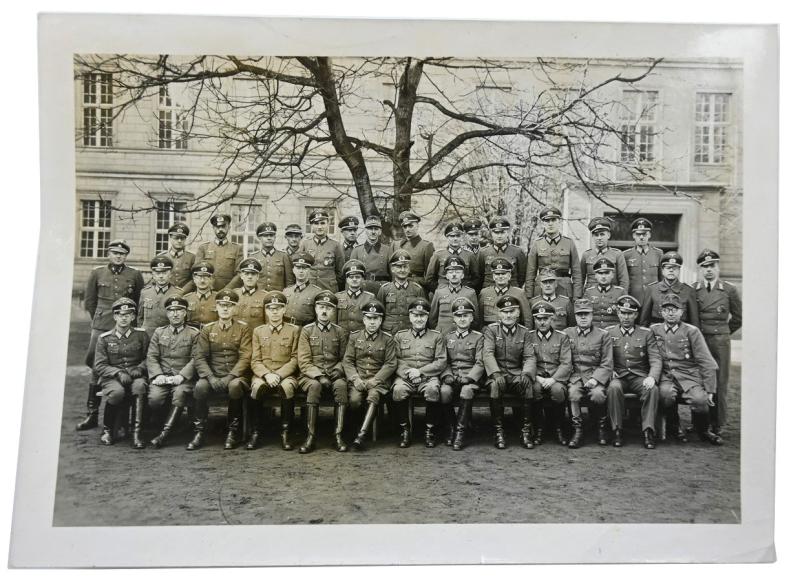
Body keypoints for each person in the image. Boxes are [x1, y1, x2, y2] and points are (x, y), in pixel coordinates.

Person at [78, 239, 145, 433]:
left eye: (122, 254)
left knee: (126, 363)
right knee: (96, 365)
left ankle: (121, 416)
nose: (118, 256)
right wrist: (99, 322)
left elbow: (138, 301)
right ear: (109, 253)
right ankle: (91, 413)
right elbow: (90, 301)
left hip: (126, 326)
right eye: (115, 253)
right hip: (102, 324)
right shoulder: (97, 272)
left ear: (126, 256)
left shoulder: (134, 274)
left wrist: (129, 322)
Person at [651, 293, 722, 445]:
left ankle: (703, 430)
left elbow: (706, 361)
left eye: (674, 309)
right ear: (661, 312)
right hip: (667, 376)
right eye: (667, 309)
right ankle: (674, 428)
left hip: (688, 376)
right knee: (665, 395)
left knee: (700, 400)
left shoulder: (692, 331)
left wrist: (710, 390)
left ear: (682, 311)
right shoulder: (654, 330)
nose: (670, 313)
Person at [189, 289, 252, 451]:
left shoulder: (243, 329)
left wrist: (230, 376)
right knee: (200, 386)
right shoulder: (208, 329)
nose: (225, 309)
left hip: (235, 375)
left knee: (235, 386)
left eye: (229, 306)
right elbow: (200, 357)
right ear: (216, 307)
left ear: (235, 309)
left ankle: (233, 431)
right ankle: (199, 431)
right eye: (222, 305)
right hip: (213, 375)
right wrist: (211, 378)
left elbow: (246, 356)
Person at [694, 249, 742, 435]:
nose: (708, 270)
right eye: (704, 266)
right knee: (699, 380)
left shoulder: (729, 290)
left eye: (712, 265)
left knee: (720, 381)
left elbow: (738, 317)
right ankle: (700, 423)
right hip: (701, 339)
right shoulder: (694, 289)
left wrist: (724, 332)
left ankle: (717, 423)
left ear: (718, 267)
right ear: (700, 269)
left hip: (720, 341)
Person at [296, 290, 351, 454]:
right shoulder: (306, 331)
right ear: (315, 309)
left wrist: (338, 370)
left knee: (341, 386)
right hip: (311, 376)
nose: (324, 311)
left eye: (328, 307)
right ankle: (310, 437)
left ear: (334, 311)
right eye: (320, 306)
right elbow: (304, 361)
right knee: (314, 387)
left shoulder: (340, 332)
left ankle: (338, 435)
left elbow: (345, 358)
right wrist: (319, 376)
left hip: (334, 374)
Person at [605, 295, 661, 449]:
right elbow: (603, 357)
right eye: (623, 312)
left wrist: (652, 377)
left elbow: (656, 358)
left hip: (639, 376)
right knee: (613, 388)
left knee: (652, 389)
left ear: (636, 315)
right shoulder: (608, 332)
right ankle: (617, 429)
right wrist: (609, 371)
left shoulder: (646, 333)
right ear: (618, 313)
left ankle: (648, 430)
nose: (626, 317)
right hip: (618, 376)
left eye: (630, 313)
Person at [92, 297, 149, 446]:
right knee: (117, 393)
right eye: (120, 314)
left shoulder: (141, 335)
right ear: (114, 316)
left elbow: (149, 358)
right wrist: (117, 373)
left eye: (128, 314)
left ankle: (136, 433)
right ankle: (108, 430)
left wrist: (140, 368)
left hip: (135, 374)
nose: (124, 318)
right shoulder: (104, 338)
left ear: (133, 317)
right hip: (112, 377)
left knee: (139, 387)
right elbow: (99, 365)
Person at [482, 295, 537, 449]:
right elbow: (487, 354)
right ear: (499, 313)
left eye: (511, 311)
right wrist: (496, 373)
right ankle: (498, 431)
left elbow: (529, 356)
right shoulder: (491, 330)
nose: (508, 315)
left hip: (516, 374)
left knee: (527, 385)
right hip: (497, 374)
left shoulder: (525, 332)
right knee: (494, 386)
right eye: (504, 311)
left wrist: (526, 373)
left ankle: (525, 431)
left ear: (518, 313)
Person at [392, 298, 448, 448]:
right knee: (398, 390)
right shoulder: (400, 336)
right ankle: (405, 430)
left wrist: (420, 372)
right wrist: (410, 374)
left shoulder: (436, 336)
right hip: (405, 376)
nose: (419, 319)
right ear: (410, 317)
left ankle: (429, 430)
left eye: (422, 315)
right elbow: (395, 360)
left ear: (427, 316)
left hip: (428, 376)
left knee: (432, 390)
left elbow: (441, 361)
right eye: (415, 315)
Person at [250, 291, 302, 451]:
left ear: (284, 309)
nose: (274, 312)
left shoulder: (294, 330)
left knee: (287, 387)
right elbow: (255, 360)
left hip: (285, 374)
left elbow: (295, 359)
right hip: (264, 373)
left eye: (278, 308)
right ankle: (256, 432)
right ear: (265, 310)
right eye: (271, 308)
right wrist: (266, 374)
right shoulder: (258, 331)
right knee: (257, 387)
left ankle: (286, 433)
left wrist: (278, 375)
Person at [343, 300, 398, 450]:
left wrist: (376, 379)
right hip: (358, 379)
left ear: (381, 320)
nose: (372, 322)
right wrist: (355, 379)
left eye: (376, 318)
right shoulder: (355, 337)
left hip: (378, 381)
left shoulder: (388, 339)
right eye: (369, 318)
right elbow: (347, 361)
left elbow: (390, 363)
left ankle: (361, 436)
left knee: (373, 396)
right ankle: (353, 430)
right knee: (354, 400)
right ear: (364, 319)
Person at [146, 296, 199, 449]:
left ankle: (164, 434)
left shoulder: (194, 334)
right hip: (162, 376)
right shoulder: (159, 332)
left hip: (183, 379)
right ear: (167, 314)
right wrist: (158, 375)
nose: (175, 314)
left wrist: (181, 376)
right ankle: (164, 425)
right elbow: (152, 356)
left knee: (179, 394)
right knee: (154, 399)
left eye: (179, 310)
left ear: (185, 313)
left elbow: (196, 359)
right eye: (171, 311)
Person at [563, 298, 614, 449]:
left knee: (598, 395)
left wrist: (595, 379)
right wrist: (570, 378)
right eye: (580, 314)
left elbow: (607, 362)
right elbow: (565, 359)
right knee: (573, 393)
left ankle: (601, 428)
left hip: (594, 375)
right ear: (575, 316)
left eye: (586, 314)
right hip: (575, 375)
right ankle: (577, 430)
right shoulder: (567, 333)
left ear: (592, 315)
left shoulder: (603, 335)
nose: (583, 317)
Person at [440, 298, 485, 450]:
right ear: (454, 318)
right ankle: (451, 428)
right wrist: (447, 375)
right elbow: (444, 361)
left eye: (466, 316)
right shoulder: (447, 338)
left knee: (466, 391)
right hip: (453, 378)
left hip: (470, 379)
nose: (462, 319)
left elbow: (480, 362)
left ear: (472, 318)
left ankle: (460, 433)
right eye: (459, 316)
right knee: (444, 392)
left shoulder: (478, 337)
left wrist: (470, 377)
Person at [529, 301, 572, 446]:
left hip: (556, 377)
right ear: (534, 320)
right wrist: (537, 378)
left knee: (558, 391)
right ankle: (539, 429)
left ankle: (558, 428)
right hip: (537, 376)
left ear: (552, 318)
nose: (542, 322)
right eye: (538, 319)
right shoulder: (529, 337)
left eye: (545, 318)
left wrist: (554, 379)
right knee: (533, 389)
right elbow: (526, 361)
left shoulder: (562, 337)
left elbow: (566, 363)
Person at [524, 206, 582, 300]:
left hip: (564, 288)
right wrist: (529, 296)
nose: (550, 224)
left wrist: (577, 296)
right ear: (543, 223)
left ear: (559, 221)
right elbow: (530, 274)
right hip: (542, 288)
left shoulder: (569, 243)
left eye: (553, 220)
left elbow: (577, 273)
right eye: (547, 221)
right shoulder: (537, 244)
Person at [225, 222, 295, 292]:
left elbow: (290, 282)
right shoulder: (253, 257)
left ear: (275, 237)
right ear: (259, 238)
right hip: (258, 298)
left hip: (278, 298)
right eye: (265, 236)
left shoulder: (284, 256)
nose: (269, 238)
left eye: (271, 235)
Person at [640, 251, 700, 327]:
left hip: (680, 333)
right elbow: (644, 319)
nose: (671, 270)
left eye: (675, 268)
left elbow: (694, 321)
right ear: (662, 270)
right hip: (657, 332)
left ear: (679, 270)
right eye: (668, 268)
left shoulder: (688, 290)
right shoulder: (652, 289)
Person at [187, 214, 243, 291]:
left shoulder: (237, 248)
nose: (220, 229)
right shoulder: (203, 248)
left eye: (223, 227)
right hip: (207, 291)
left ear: (228, 227)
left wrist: (227, 290)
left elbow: (239, 274)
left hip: (228, 293)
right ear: (213, 228)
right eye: (217, 227)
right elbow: (197, 271)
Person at [376, 249, 427, 334]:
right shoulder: (384, 289)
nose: (402, 270)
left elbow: (423, 313)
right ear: (392, 269)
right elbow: (379, 314)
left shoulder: (417, 289)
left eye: (405, 266)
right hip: (389, 333)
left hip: (410, 333)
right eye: (399, 267)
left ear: (409, 269)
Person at [477, 257, 532, 329]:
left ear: (509, 276)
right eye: (497, 274)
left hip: (513, 333)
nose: (500, 276)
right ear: (493, 276)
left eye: (503, 273)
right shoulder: (484, 293)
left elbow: (527, 319)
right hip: (490, 334)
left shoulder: (519, 293)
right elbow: (480, 318)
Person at [429, 256, 479, 335]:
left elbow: (475, 319)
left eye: (457, 272)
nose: (454, 275)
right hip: (443, 334)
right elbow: (432, 319)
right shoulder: (439, 292)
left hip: (463, 336)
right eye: (451, 272)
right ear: (446, 276)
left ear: (462, 275)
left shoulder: (470, 293)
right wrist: (439, 331)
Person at [424, 222, 480, 292]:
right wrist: (440, 291)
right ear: (447, 237)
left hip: (463, 293)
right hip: (443, 293)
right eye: (452, 236)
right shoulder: (438, 255)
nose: (455, 238)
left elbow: (476, 278)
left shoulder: (469, 255)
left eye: (458, 235)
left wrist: (466, 289)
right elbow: (429, 279)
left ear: (462, 237)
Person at [298, 210, 344, 292]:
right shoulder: (305, 244)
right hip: (309, 289)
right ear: (311, 226)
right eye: (316, 223)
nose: (319, 227)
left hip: (329, 289)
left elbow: (340, 272)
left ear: (328, 224)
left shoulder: (336, 245)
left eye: (322, 223)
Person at [580, 216, 629, 293]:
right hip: (591, 296)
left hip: (612, 296)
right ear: (592, 236)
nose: (599, 238)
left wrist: (621, 298)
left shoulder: (617, 254)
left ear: (608, 235)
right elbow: (580, 280)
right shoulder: (586, 255)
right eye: (596, 235)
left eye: (602, 234)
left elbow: (624, 281)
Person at [476, 216, 527, 289]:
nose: (499, 236)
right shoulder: (483, 252)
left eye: (502, 232)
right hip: (489, 293)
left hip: (511, 292)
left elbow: (522, 277)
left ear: (507, 233)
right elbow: (479, 277)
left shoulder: (518, 252)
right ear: (491, 233)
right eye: (496, 232)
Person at [622, 217, 663, 304]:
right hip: (633, 300)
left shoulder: (658, 253)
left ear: (649, 235)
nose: (641, 237)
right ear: (633, 235)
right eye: (638, 234)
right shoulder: (626, 255)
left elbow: (662, 279)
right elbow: (624, 280)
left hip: (653, 300)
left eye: (644, 234)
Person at [138, 256, 179, 338]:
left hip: (169, 336)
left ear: (170, 274)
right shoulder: (145, 292)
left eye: (164, 273)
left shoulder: (178, 293)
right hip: (148, 336)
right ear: (153, 274)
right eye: (158, 273)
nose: (161, 276)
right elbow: (140, 317)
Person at [350, 215, 392, 294]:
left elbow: (393, 275)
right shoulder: (357, 251)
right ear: (365, 230)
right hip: (362, 288)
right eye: (370, 229)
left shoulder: (388, 250)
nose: (373, 232)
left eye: (376, 229)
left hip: (383, 289)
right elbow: (351, 276)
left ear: (380, 231)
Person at [393, 210, 434, 289]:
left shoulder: (426, 246)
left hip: (417, 286)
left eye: (411, 226)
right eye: (405, 226)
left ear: (417, 226)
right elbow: (392, 269)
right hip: (397, 286)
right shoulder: (396, 245)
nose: (407, 229)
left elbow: (430, 275)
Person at [333, 259, 376, 334]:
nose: (354, 279)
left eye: (358, 277)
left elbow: (372, 321)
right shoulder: (338, 297)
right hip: (341, 337)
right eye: (351, 277)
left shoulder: (370, 298)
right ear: (346, 279)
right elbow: (333, 322)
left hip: (361, 338)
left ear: (362, 279)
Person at [583, 257, 626, 329]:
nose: (603, 276)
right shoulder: (588, 292)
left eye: (607, 273)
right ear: (595, 276)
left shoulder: (620, 292)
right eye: (600, 273)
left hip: (613, 333)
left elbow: (625, 316)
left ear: (612, 275)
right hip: (594, 333)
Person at [283, 252, 324, 327]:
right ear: (293, 270)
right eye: (298, 268)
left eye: (304, 268)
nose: (301, 271)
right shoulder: (286, 291)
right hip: (287, 331)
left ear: (309, 270)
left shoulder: (317, 292)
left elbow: (319, 319)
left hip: (305, 331)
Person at [230, 258, 269, 332]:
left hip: (254, 340)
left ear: (258, 276)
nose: (250, 277)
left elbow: (268, 325)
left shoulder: (265, 297)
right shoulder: (234, 294)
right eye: (247, 274)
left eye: (253, 274)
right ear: (241, 276)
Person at [158, 222, 195, 289]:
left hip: (185, 294)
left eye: (182, 238)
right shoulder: (162, 257)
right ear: (170, 238)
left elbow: (194, 279)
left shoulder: (192, 257)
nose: (179, 241)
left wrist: (182, 291)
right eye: (176, 238)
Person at [183, 262, 219, 327]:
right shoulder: (186, 299)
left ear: (211, 279)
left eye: (205, 277)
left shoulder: (218, 298)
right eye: (199, 277)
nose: (202, 281)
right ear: (194, 279)